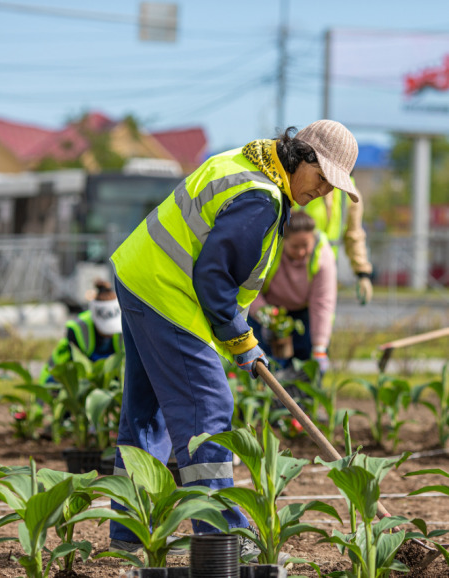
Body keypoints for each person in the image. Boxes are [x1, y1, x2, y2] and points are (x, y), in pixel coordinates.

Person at [108, 119, 361, 561]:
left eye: (332, 188)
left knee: (146, 416)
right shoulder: (261, 198)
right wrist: (240, 339)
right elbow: (214, 277)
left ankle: (129, 535)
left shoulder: (247, 160)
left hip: (139, 276)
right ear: (301, 157)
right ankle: (224, 538)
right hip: (170, 295)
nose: (323, 192)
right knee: (208, 408)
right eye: (321, 179)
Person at [248, 211, 337, 375]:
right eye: (295, 246)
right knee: (269, 365)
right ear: (284, 240)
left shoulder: (322, 255)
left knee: (305, 367)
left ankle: (301, 399)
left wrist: (319, 347)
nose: (301, 251)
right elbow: (250, 289)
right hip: (271, 311)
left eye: (306, 245)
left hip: (304, 314)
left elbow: (322, 304)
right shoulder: (269, 247)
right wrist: (266, 318)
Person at [295, 174, 373, 305]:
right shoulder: (303, 178)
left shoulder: (349, 192)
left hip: (326, 271)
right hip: (292, 268)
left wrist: (362, 273)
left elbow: (354, 235)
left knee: (323, 318)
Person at [38, 279, 123, 386]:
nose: (109, 334)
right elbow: (62, 370)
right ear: (93, 316)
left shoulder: (124, 326)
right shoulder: (78, 329)